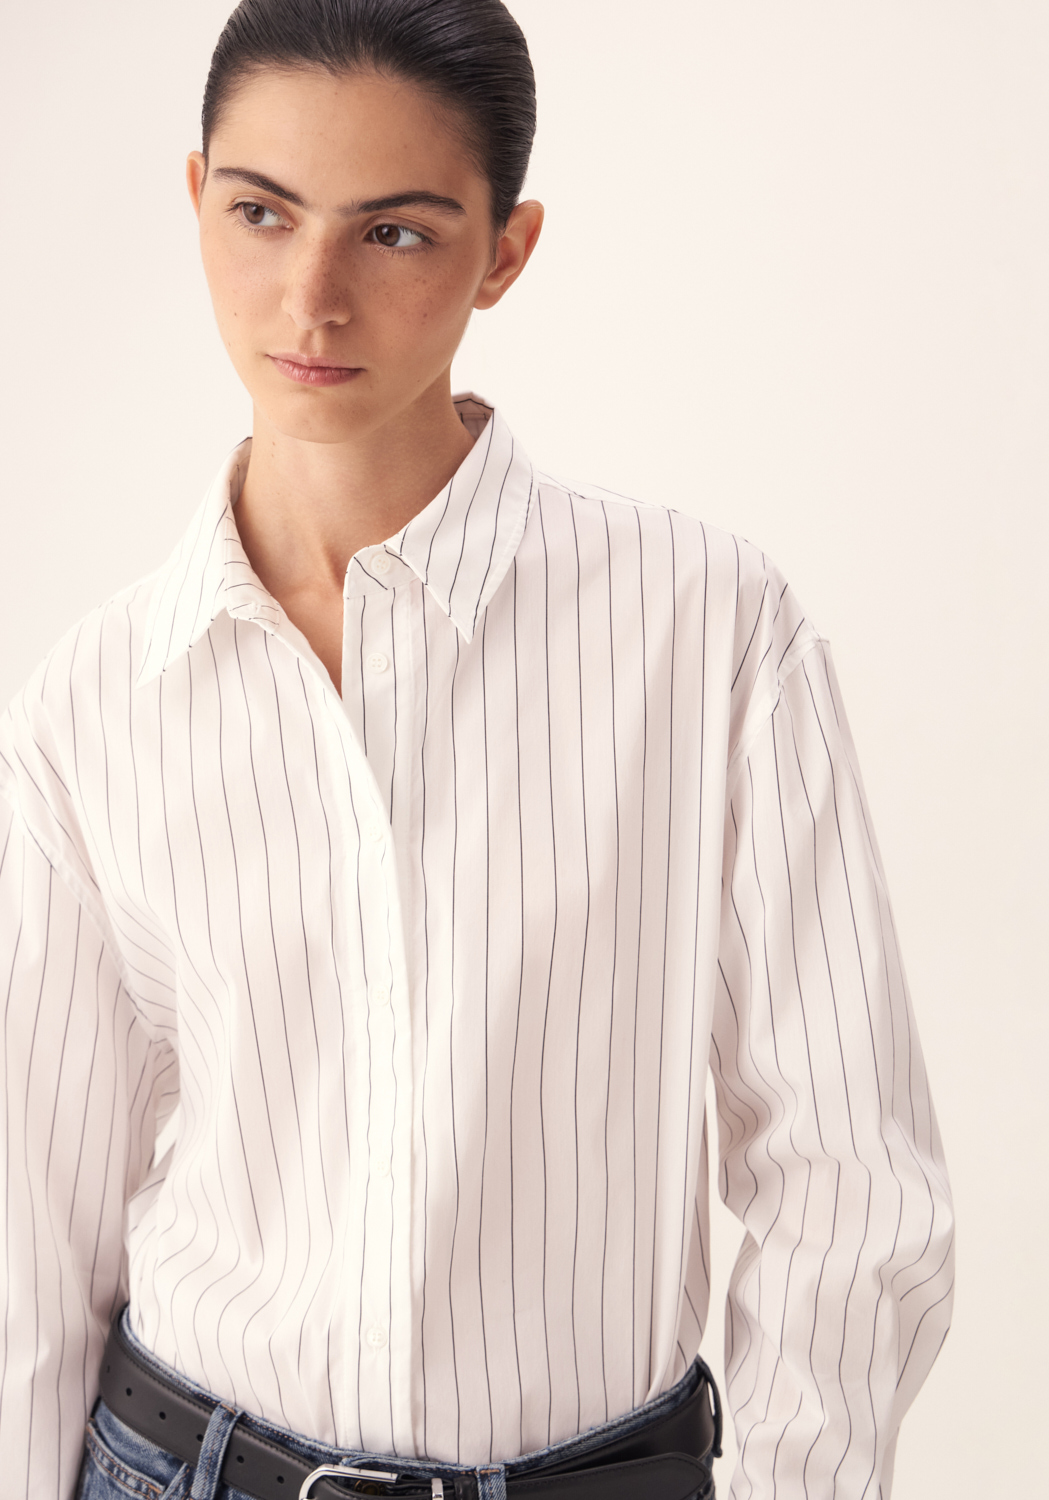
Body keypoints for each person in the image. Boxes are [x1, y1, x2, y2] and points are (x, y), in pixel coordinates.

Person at [0, 1, 954, 1497]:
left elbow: (847, 1177)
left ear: (504, 251)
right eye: (262, 213)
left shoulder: (704, 627)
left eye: (393, 233)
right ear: (198, 201)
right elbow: (30, 1228)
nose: (310, 299)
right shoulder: (95, 695)